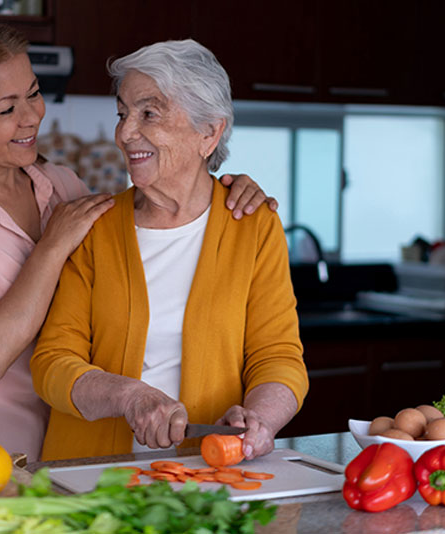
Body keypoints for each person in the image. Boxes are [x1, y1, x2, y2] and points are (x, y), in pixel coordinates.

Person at [0, 20, 276, 472]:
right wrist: (51, 246)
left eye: (33, 92)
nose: (31, 116)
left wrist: (231, 188)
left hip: (38, 453)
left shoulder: (60, 186)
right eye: (7, 109)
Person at [30, 39, 308, 462]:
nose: (124, 133)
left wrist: (260, 419)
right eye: (123, 113)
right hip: (92, 477)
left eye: (149, 113)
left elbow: (278, 355)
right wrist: (129, 396)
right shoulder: (93, 227)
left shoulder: (253, 226)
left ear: (209, 132)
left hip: (211, 473)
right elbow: (52, 362)